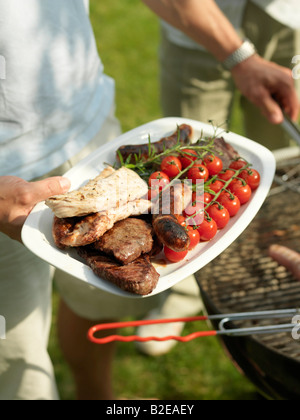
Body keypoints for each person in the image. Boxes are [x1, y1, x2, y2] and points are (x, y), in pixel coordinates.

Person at [0, 0, 299, 400]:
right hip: (6, 163)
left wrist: (241, 58)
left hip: (88, 134)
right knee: (15, 358)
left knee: (96, 303)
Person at [136, 0, 300, 356]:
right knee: (185, 175)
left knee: (274, 158)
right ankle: (181, 288)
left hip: (287, 17)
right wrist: (243, 59)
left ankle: (269, 261)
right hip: (194, 24)